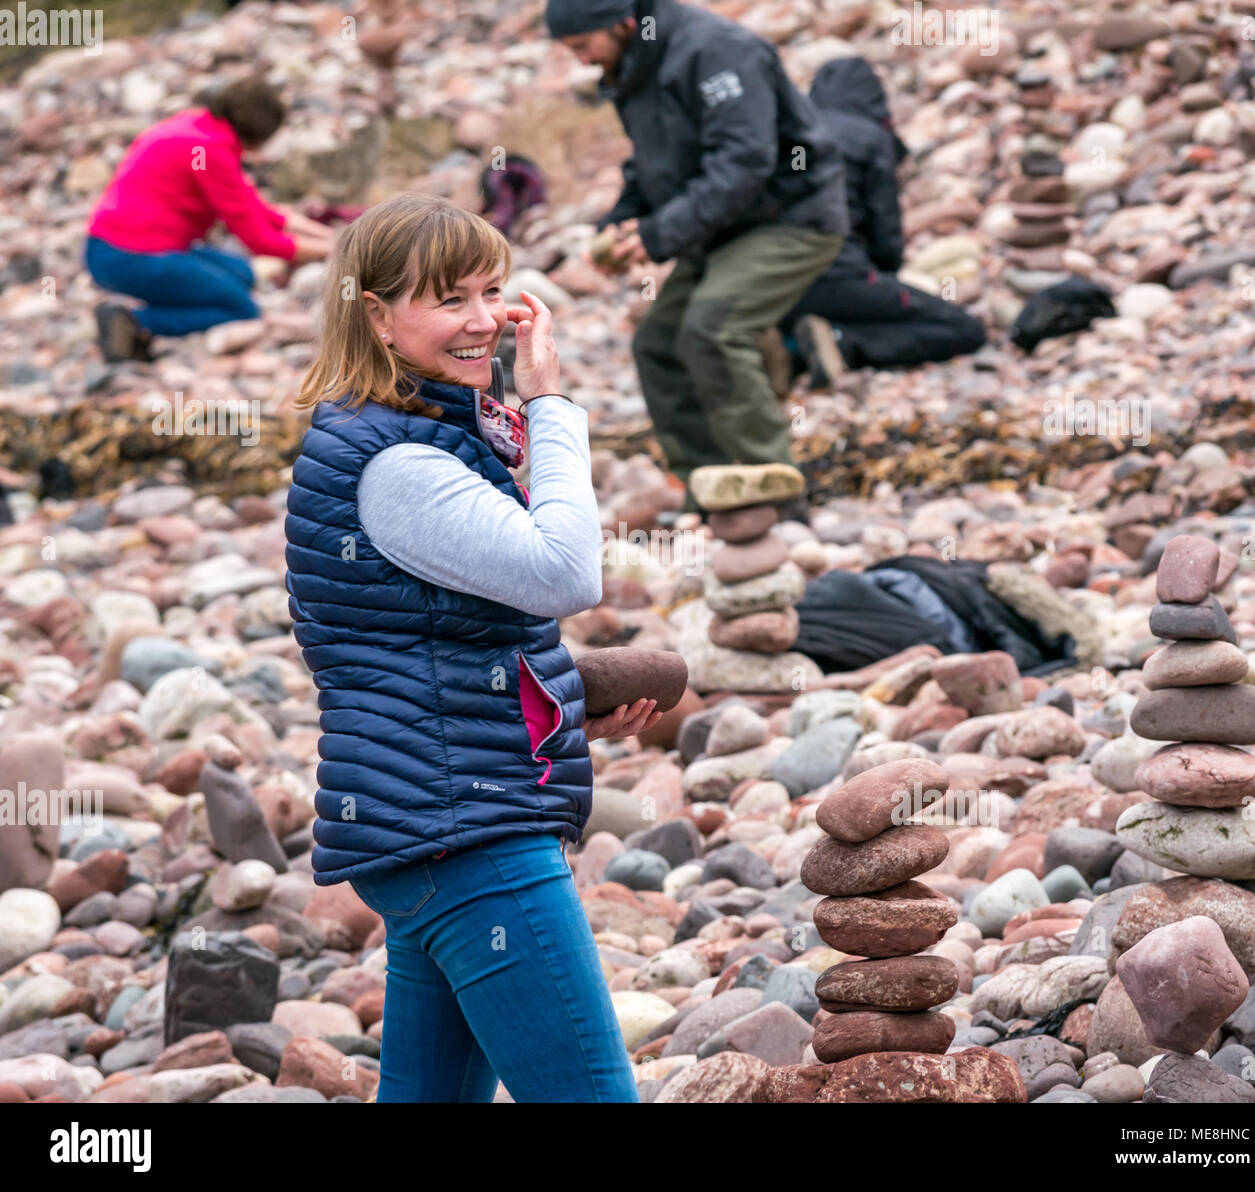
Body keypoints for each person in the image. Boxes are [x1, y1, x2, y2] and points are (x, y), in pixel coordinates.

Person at [283, 193, 659, 1103]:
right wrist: (554, 404)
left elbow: (419, 641)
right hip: (471, 835)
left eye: (493, 290)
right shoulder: (400, 465)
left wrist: (563, 705)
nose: (485, 320)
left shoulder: (406, 430)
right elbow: (566, 572)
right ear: (374, 313)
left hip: (424, 831)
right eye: (451, 299)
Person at [547, 0, 848, 513]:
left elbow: (744, 160)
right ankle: (711, 489)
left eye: (582, 46)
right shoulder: (634, 62)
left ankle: (774, 492)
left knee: (712, 329)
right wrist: (622, 223)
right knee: (658, 345)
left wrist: (660, 233)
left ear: (620, 23)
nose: (581, 61)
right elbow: (651, 166)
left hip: (789, 218)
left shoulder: (716, 50)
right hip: (720, 230)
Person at [84, 74, 336, 362]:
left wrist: (330, 238)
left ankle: (154, 309)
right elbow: (260, 241)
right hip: (131, 256)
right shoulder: (211, 151)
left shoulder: (200, 128)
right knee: (241, 309)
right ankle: (135, 321)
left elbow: (257, 210)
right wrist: (338, 250)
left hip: (114, 248)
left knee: (242, 274)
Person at [778, 57, 987, 388]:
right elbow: (885, 241)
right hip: (839, 276)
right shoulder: (870, 137)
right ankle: (843, 342)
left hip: (768, 284)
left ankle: (789, 346)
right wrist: (880, 283)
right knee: (962, 329)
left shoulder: (787, 133)